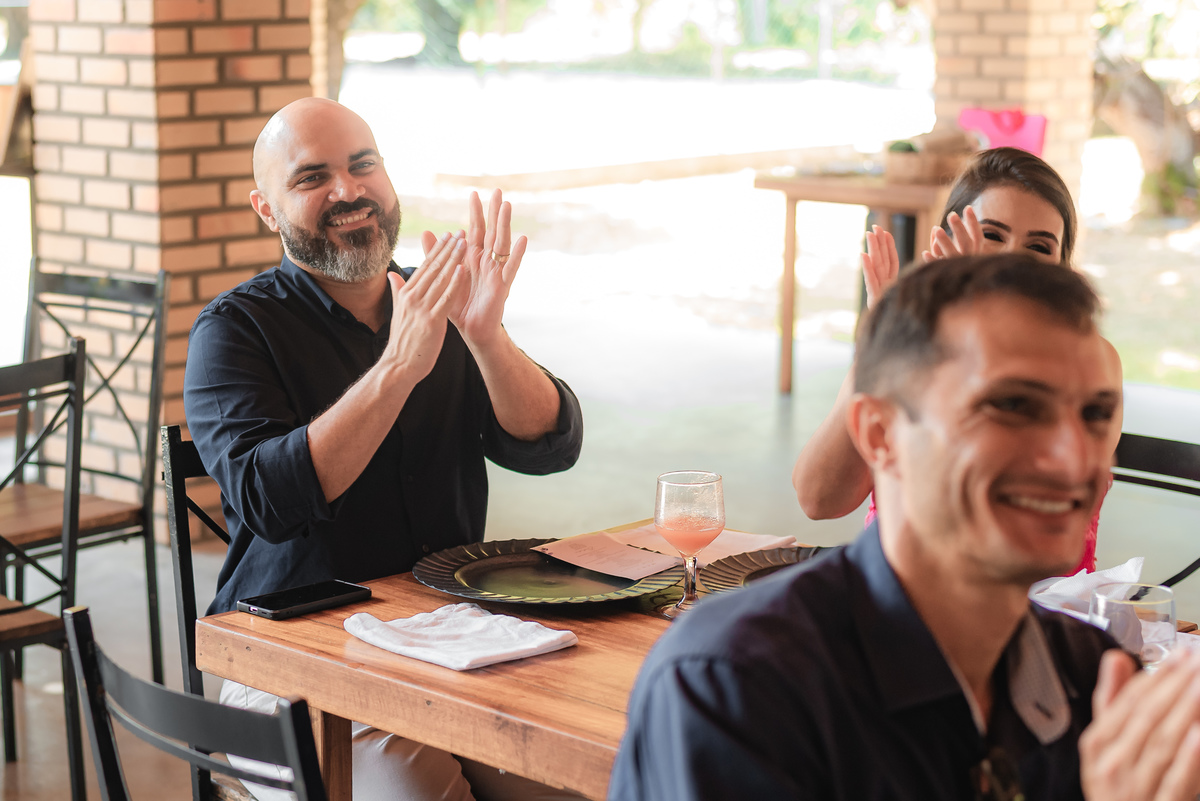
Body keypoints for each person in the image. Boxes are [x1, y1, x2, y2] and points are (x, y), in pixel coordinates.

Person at [610, 253, 1200, 801]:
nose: (1074, 457)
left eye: (1095, 415)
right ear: (880, 435)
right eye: (1015, 406)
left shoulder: (1090, 675)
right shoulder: (739, 685)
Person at [183, 97, 583, 801]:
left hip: (447, 640)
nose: (348, 190)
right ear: (267, 209)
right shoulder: (234, 331)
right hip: (288, 662)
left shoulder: (435, 303)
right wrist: (398, 367)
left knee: (577, 779)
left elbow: (548, 443)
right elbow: (268, 502)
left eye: (362, 165)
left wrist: (487, 338)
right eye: (313, 178)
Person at [791, 146, 1120, 573]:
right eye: (992, 235)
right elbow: (819, 499)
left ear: (1062, 268)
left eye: (1038, 246)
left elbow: (990, 514)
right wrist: (890, 342)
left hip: (1039, 615)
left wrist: (959, 332)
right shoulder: (912, 343)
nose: (1010, 262)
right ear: (945, 240)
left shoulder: (1093, 364)